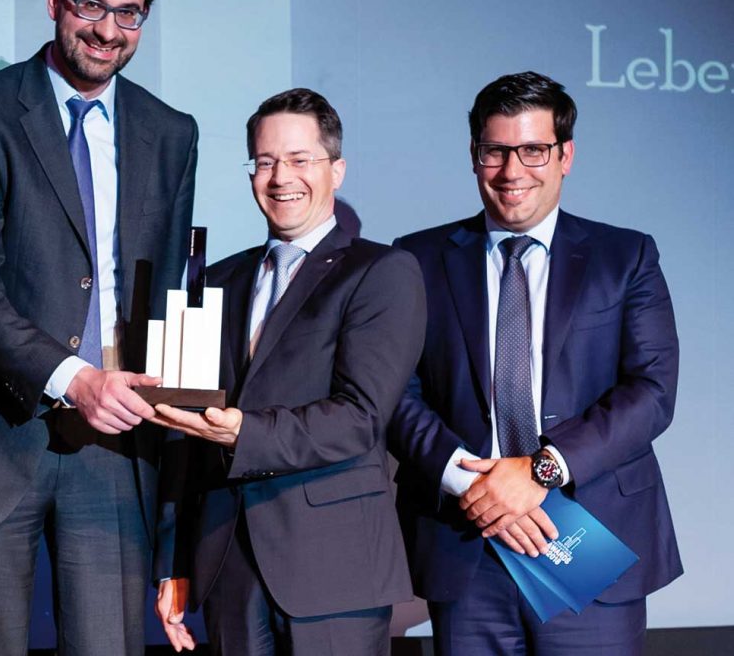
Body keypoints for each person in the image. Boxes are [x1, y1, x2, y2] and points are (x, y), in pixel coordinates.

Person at [0, 0, 199, 656]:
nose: (107, 30)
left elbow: (166, 292)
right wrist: (74, 379)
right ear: (54, 0)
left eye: (128, 12)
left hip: (117, 445)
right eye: (91, 5)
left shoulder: (172, 133)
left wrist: (176, 411)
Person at [388, 71, 681, 655]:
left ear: (565, 155)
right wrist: (476, 484)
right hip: (468, 544)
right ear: (474, 155)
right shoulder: (416, 258)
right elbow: (395, 390)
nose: (512, 170)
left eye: (533, 150)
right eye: (495, 151)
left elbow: (651, 390)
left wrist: (539, 471)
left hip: (587, 540)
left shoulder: (625, 256)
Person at [152, 88, 425, 655]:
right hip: (226, 560)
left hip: (335, 566)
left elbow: (360, 418)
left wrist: (244, 432)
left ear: (336, 170)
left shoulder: (381, 271)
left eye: (300, 159)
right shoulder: (218, 280)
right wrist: (172, 561)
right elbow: (184, 427)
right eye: (265, 161)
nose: (281, 178)